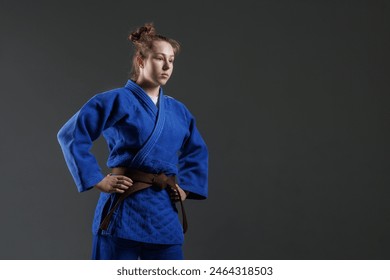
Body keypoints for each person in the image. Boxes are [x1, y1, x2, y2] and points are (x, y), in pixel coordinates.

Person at [57, 23, 208, 260]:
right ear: (140, 60)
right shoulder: (114, 100)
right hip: (123, 208)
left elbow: (196, 151)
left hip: (163, 213)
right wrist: (97, 180)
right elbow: (71, 135)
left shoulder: (179, 111)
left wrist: (187, 188)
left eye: (171, 60)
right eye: (160, 58)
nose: (167, 66)